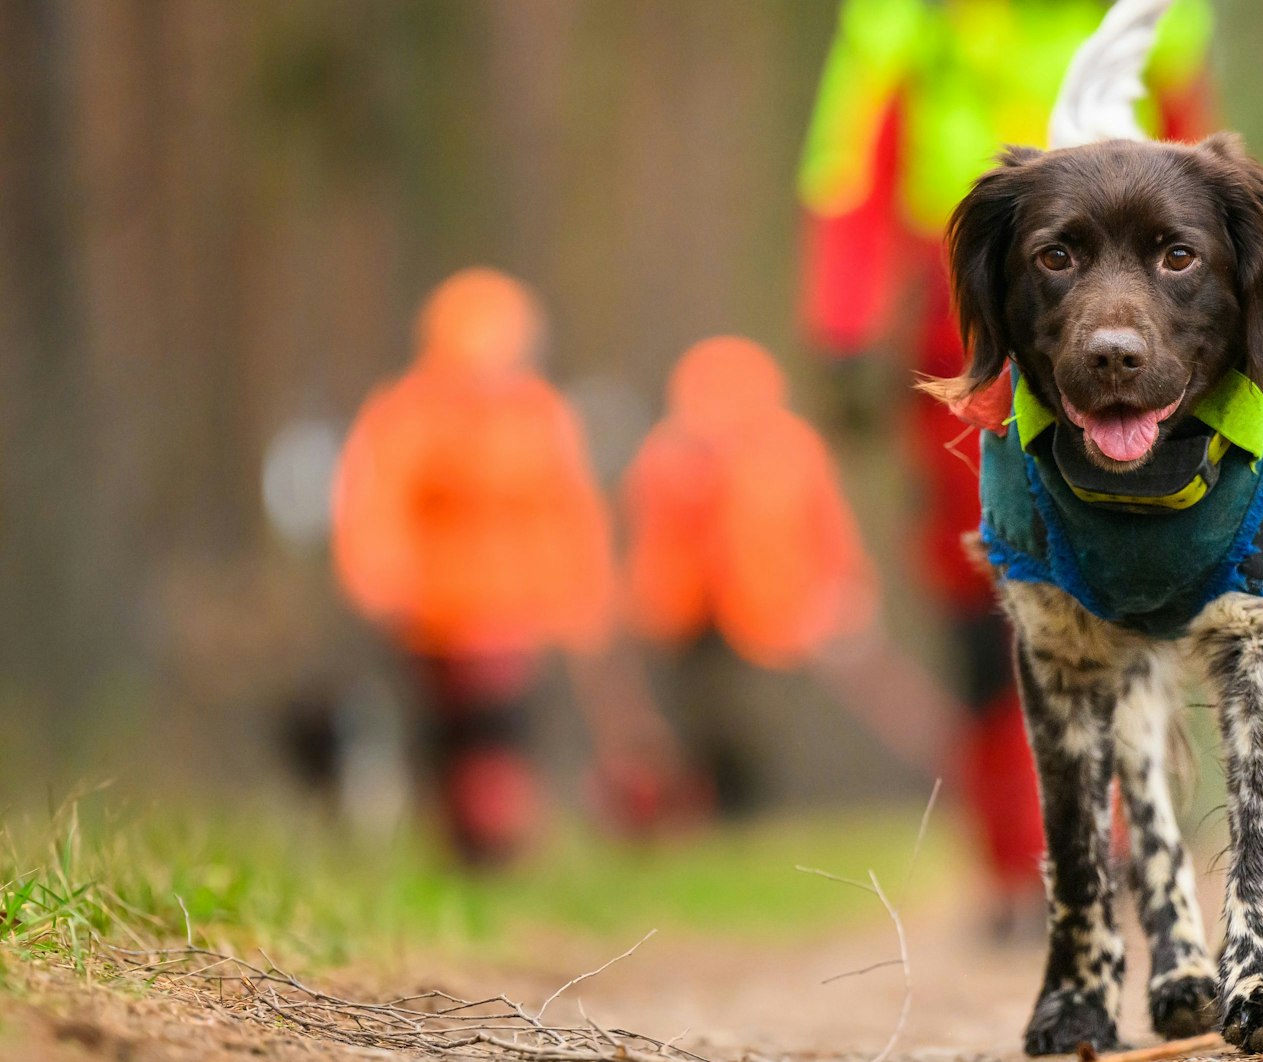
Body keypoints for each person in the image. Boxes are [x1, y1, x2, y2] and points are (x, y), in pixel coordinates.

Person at [797, 0, 1214, 936]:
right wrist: (844, 326)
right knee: (985, 592)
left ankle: (1104, 845)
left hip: (1125, 337)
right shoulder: (900, 21)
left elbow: (1204, 169)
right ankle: (1010, 857)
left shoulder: (1160, 16)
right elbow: (848, 177)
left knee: (1110, 582)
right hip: (960, 333)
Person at [332, 268, 617, 864]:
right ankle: (461, 836)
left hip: (515, 612)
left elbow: (573, 513)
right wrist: (379, 574)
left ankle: (501, 833)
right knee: (452, 728)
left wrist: (585, 597)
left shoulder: (541, 415)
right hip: (435, 612)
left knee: (503, 726)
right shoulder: (409, 411)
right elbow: (374, 501)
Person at [622, 337, 881, 812]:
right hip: (684, 618)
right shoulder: (665, 456)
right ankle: (702, 815)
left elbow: (830, 528)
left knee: (753, 725)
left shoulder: (794, 449)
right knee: (696, 723)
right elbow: (651, 533)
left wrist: (846, 594)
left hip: (770, 618)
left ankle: (748, 816)